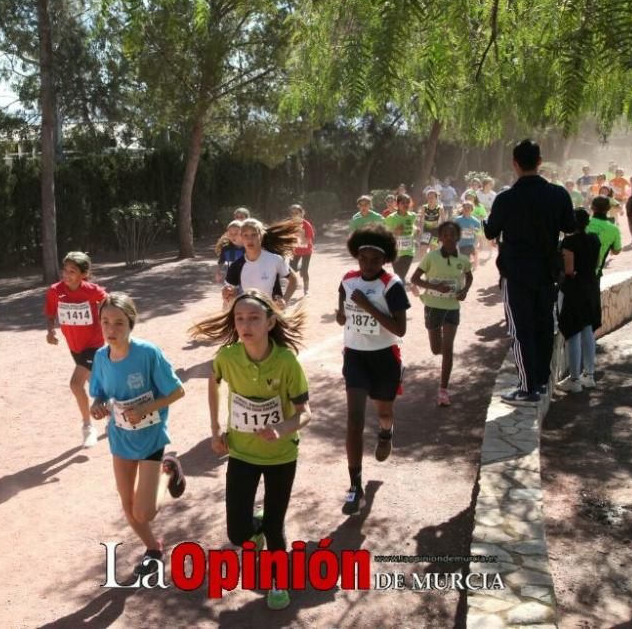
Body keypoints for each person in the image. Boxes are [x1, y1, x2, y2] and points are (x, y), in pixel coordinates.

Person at [190, 290, 311, 611]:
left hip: (281, 456)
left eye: (254, 318)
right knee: (238, 532)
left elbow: (305, 413)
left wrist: (281, 429)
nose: (245, 324)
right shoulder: (228, 357)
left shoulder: (286, 362)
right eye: (239, 318)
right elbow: (213, 382)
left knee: (275, 525)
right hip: (242, 453)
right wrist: (216, 430)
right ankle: (253, 529)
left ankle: (279, 581)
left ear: (270, 322)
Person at [88, 293, 187, 582]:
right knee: (127, 506)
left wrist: (145, 408)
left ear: (131, 324)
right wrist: (97, 405)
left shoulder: (147, 353)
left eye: (119, 323)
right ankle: (153, 549)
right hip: (120, 438)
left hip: (151, 438)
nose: (111, 329)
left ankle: (167, 470)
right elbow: (100, 392)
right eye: (105, 322)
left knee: (144, 513)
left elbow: (177, 391)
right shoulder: (100, 357)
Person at [483, 139, 575, 405]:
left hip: (516, 273)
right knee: (544, 325)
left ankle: (527, 388)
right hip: (547, 271)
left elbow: (491, 231)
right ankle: (542, 382)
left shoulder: (505, 198)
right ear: (540, 162)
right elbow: (569, 226)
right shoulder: (558, 194)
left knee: (521, 329)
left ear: (514, 163)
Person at [336, 225, 410, 516]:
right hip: (355, 356)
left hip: (384, 358)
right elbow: (342, 315)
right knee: (354, 421)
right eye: (362, 258)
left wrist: (367, 306)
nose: (367, 264)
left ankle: (386, 431)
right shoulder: (347, 280)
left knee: (383, 411)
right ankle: (355, 486)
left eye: (374, 260)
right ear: (356, 256)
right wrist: (342, 315)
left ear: (385, 260)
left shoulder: (391, 285)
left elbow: (400, 328)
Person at [45, 251, 108, 448]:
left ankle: (88, 427)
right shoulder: (55, 291)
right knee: (95, 383)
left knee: (75, 384)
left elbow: (112, 305)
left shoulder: (93, 291)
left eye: (72, 271)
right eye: (65, 270)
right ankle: (112, 412)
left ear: (84, 274)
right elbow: (51, 312)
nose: (67, 274)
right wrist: (50, 331)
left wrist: (111, 326)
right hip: (74, 345)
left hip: (94, 344)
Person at [411, 222, 473, 407]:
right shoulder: (431, 257)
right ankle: (440, 351)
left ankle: (443, 390)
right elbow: (415, 279)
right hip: (432, 306)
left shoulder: (463, 260)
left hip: (452, 307)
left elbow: (469, 276)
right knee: (436, 349)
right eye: (445, 235)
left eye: (452, 234)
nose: (449, 238)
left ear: (457, 237)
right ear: (440, 238)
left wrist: (464, 290)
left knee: (448, 349)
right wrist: (434, 287)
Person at [555, 210, 602, 393]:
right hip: (591, 287)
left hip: (574, 289)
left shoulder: (569, 242)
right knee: (588, 329)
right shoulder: (595, 239)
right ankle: (589, 375)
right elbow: (596, 262)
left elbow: (569, 269)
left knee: (573, 332)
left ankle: (574, 379)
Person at [222, 218, 301, 308]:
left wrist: (284, 300)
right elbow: (230, 294)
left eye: (254, 234)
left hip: (272, 314)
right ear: (241, 238)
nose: (250, 239)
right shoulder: (236, 266)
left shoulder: (275, 259)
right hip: (249, 315)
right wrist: (227, 294)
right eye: (245, 235)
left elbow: (293, 280)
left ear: (261, 236)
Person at [384, 194, 417, 282]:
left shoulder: (412, 216)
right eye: (403, 203)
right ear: (397, 204)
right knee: (398, 275)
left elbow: (412, 226)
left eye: (407, 202)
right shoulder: (391, 218)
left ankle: (398, 289)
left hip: (409, 251)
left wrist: (416, 229)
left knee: (401, 276)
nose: (406, 205)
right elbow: (384, 234)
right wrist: (394, 232)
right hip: (396, 251)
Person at [586, 196, 622, 278]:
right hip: (594, 273)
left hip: (574, 272)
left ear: (592, 207)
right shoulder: (614, 229)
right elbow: (616, 251)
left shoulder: (584, 222)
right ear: (609, 208)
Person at [289, 205, 315, 297]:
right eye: (293, 213)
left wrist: (300, 239)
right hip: (295, 251)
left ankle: (306, 289)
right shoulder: (290, 224)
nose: (294, 215)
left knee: (305, 271)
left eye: (297, 213)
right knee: (291, 269)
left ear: (302, 213)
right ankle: (299, 268)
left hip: (306, 251)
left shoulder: (306, 224)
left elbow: (309, 239)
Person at [417, 188, 443, 260]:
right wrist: (420, 229)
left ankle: (432, 265)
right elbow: (420, 220)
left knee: (433, 249)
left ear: (436, 198)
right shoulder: (424, 207)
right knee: (423, 249)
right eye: (429, 197)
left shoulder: (439, 208)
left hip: (436, 232)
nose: (430, 199)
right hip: (426, 231)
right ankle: (423, 265)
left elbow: (444, 221)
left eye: (432, 197)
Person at [454, 201, 482, 268]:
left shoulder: (476, 221)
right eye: (465, 208)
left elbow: (479, 232)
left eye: (468, 208)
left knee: (470, 255)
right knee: (464, 257)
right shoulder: (457, 219)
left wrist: (474, 230)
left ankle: (473, 265)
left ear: (472, 209)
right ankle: (470, 264)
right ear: (462, 209)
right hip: (460, 243)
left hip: (471, 243)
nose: (466, 209)